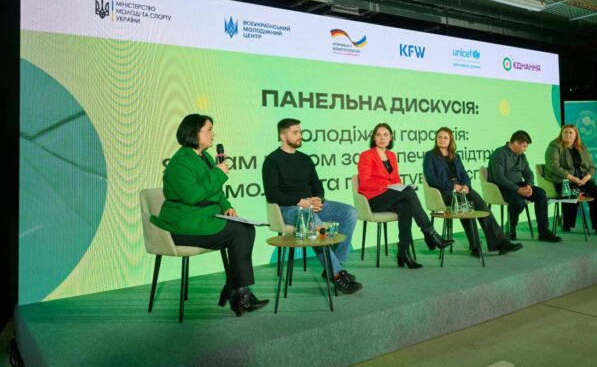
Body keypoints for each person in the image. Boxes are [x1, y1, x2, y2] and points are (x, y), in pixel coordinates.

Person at [151, 114, 269, 316]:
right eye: (209, 129)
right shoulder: (180, 163)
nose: (213, 134)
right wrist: (219, 172)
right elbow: (193, 195)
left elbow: (215, 191)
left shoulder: (204, 157)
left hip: (202, 219)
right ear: (194, 132)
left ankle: (235, 288)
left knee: (247, 229)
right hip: (183, 226)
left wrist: (226, 206)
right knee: (240, 232)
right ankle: (240, 293)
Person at [262, 118, 362, 294]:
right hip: (289, 208)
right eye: (295, 133)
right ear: (283, 136)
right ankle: (337, 274)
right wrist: (301, 202)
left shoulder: (305, 159)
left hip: (311, 204)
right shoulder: (272, 160)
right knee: (311, 219)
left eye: (300, 132)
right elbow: (272, 194)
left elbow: (317, 185)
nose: (300, 135)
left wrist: (319, 200)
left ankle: (334, 265)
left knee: (350, 213)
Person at [357, 123, 454, 269]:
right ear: (374, 138)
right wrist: (388, 185)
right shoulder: (367, 155)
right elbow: (365, 183)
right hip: (373, 200)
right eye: (378, 135)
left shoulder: (391, 155)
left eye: (385, 135)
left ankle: (403, 252)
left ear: (390, 138)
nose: (382, 138)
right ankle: (430, 233)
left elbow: (396, 179)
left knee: (406, 206)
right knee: (408, 191)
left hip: (388, 197)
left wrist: (397, 186)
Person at [423, 127, 523, 256]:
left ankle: (500, 243)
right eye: (439, 137)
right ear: (436, 139)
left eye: (445, 138)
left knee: (480, 204)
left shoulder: (455, 156)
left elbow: (464, 174)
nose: (442, 140)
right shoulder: (430, 156)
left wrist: (466, 186)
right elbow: (431, 179)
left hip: (460, 188)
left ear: (450, 140)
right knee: (464, 205)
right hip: (443, 191)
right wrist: (453, 186)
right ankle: (475, 245)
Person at [488, 130, 562, 243]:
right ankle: (511, 226)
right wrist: (518, 189)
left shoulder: (522, 156)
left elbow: (528, 173)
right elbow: (499, 177)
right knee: (519, 203)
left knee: (541, 194)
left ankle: (543, 231)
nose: (525, 149)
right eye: (524, 146)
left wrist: (529, 186)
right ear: (515, 143)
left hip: (519, 185)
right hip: (501, 187)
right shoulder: (499, 153)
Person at [544, 124, 597, 235]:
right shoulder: (554, 145)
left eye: (571, 133)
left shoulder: (581, 147)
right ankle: (567, 222)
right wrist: (572, 178)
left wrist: (587, 177)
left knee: (595, 191)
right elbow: (553, 166)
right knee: (574, 191)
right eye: (565, 132)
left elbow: (592, 166)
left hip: (582, 179)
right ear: (561, 134)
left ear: (576, 135)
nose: (568, 135)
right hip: (563, 180)